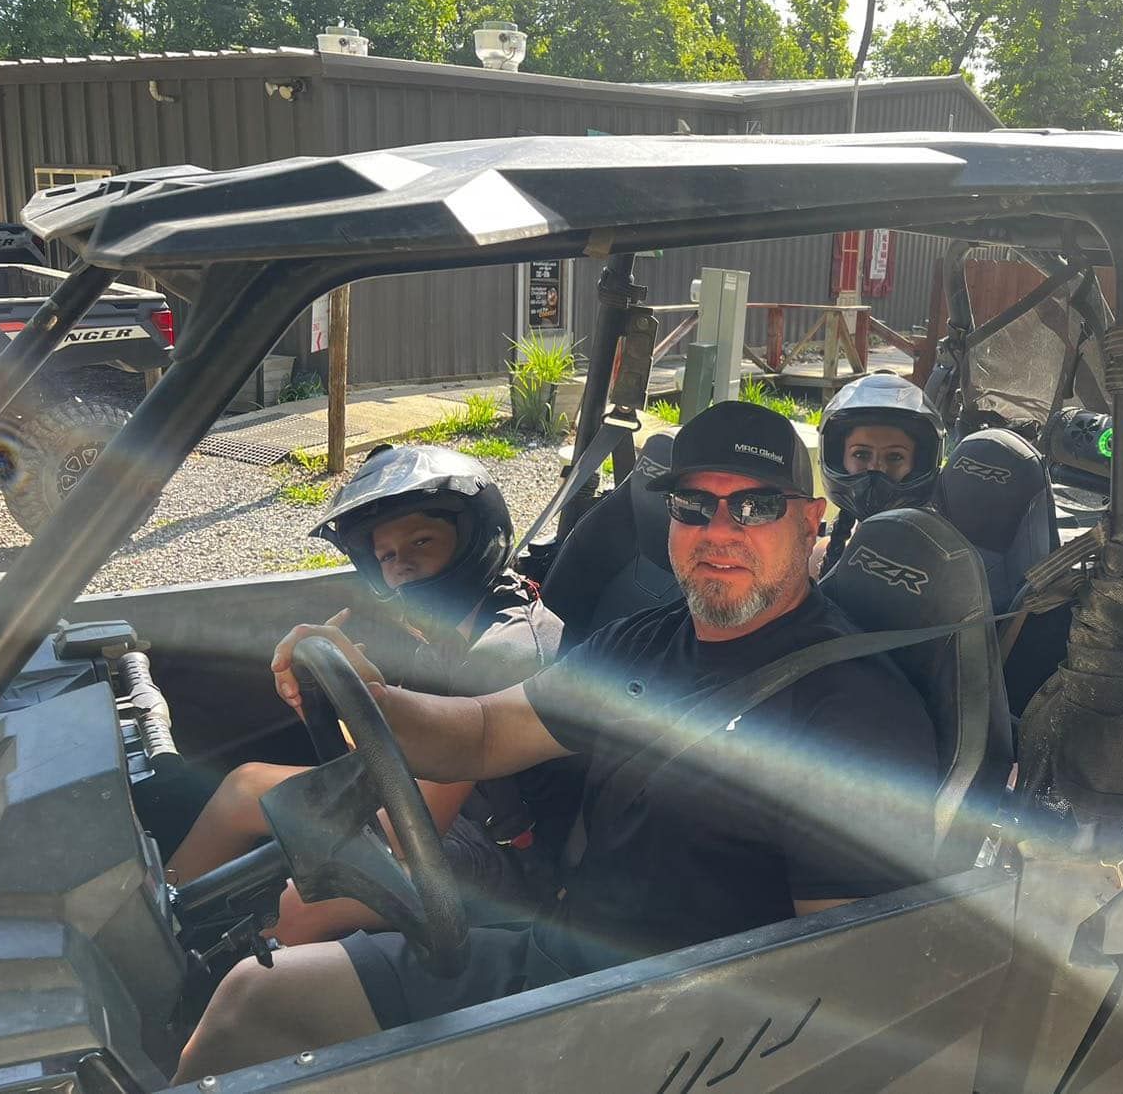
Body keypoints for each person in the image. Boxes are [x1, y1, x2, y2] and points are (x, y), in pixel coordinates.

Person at [176, 401, 938, 1080]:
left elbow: (834, 975)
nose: (718, 533)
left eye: (756, 507)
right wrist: (371, 696)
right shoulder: (647, 641)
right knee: (255, 996)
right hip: (565, 959)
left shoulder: (854, 711)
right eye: (694, 506)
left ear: (811, 523)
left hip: (680, 1023)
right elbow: (480, 734)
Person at [168, 444, 562, 944]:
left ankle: (201, 983)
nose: (403, 565)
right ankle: (152, 928)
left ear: (473, 539)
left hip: (506, 856)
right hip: (441, 809)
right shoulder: (454, 629)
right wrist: (340, 694)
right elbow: (399, 754)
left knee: (294, 909)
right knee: (244, 786)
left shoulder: (503, 652)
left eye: (422, 541)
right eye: (388, 555)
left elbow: (404, 831)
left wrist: (305, 834)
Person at [813, 372, 944, 577]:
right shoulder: (821, 555)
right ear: (840, 458)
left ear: (917, 464)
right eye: (861, 454)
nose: (876, 467)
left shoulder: (939, 558)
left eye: (894, 457)